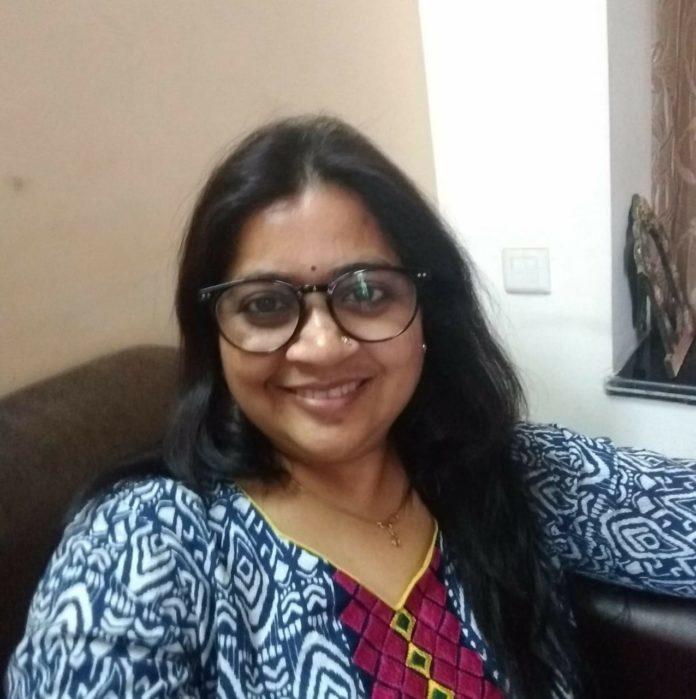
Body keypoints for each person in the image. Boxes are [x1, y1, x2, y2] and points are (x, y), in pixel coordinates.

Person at [5, 116, 696, 699]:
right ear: (214, 333)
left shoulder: (512, 471)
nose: (323, 345)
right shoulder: (147, 544)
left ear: (427, 312)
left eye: (367, 292)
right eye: (266, 305)